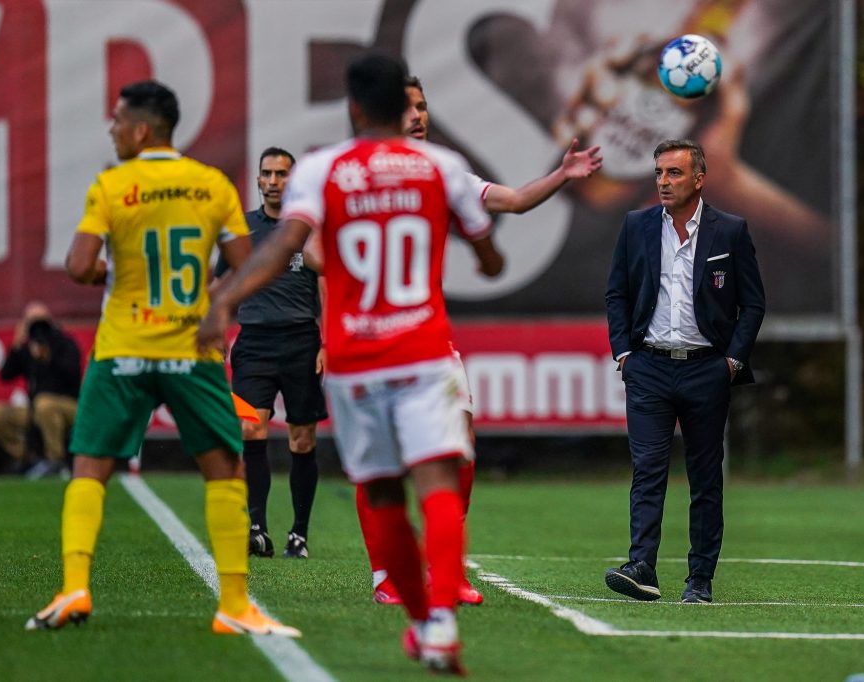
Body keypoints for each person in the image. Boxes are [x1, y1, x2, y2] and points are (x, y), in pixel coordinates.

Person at [198, 53, 503, 675]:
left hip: (357, 361)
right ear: (406, 105)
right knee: (439, 483)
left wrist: (224, 298)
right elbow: (491, 259)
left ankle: (419, 619)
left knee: (383, 489)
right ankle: (440, 622)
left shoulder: (323, 170)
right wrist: (479, 255)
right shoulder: (443, 167)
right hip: (422, 349)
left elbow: (286, 244)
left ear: (355, 108)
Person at [26, 80, 299, 638]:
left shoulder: (113, 183)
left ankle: (74, 587)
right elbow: (245, 266)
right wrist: (217, 303)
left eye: (119, 121)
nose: (112, 129)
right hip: (189, 347)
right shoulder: (211, 185)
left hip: (123, 345)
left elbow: (79, 266)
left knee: (90, 467)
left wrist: (114, 274)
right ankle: (235, 604)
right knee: (224, 467)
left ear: (142, 129)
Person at [357, 74, 604, 607]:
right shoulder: (348, 176)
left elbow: (512, 201)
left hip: (429, 335)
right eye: (406, 108)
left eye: (423, 106)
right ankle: (385, 576)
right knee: (382, 461)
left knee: (460, 447)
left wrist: (562, 175)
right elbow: (309, 249)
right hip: (370, 341)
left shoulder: (445, 173)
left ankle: (446, 568)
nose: (419, 116)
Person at [603, 139, 764, 604]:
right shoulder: (635, 227)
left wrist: (731, 361)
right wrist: (623, 354)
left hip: (705, 370)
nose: (663, 182)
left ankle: (700, 579)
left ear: (699, 178)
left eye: (673, 173)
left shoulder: (729, 231)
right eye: (658, 173)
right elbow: (617, 293)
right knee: (647, 469)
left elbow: (752, 302)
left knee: (705, 476)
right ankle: (642, 567)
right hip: (649, 366)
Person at [213, 146, 327, 560]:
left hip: (301, 341)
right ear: (258, 180)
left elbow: (327, 284)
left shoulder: (308, 228)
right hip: (254, 342)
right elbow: (222, 283)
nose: (274, 180)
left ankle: (299, 532)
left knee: (302, 438)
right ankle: (257, 527)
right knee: (250, 429)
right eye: (268, 173)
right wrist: (218, 325)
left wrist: (327, 342)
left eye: (282, 174)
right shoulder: (241, 230)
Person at [0, 302, 81, 478]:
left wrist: (48, 357)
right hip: (35, 409)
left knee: (44, 404)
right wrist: (16, 346)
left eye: (40, 322)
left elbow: (73, 374)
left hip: (68, 407)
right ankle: (28, 459)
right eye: (31, 322)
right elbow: (6, 376)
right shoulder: (27, 348)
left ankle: (55, 461)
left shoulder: (64, 342)